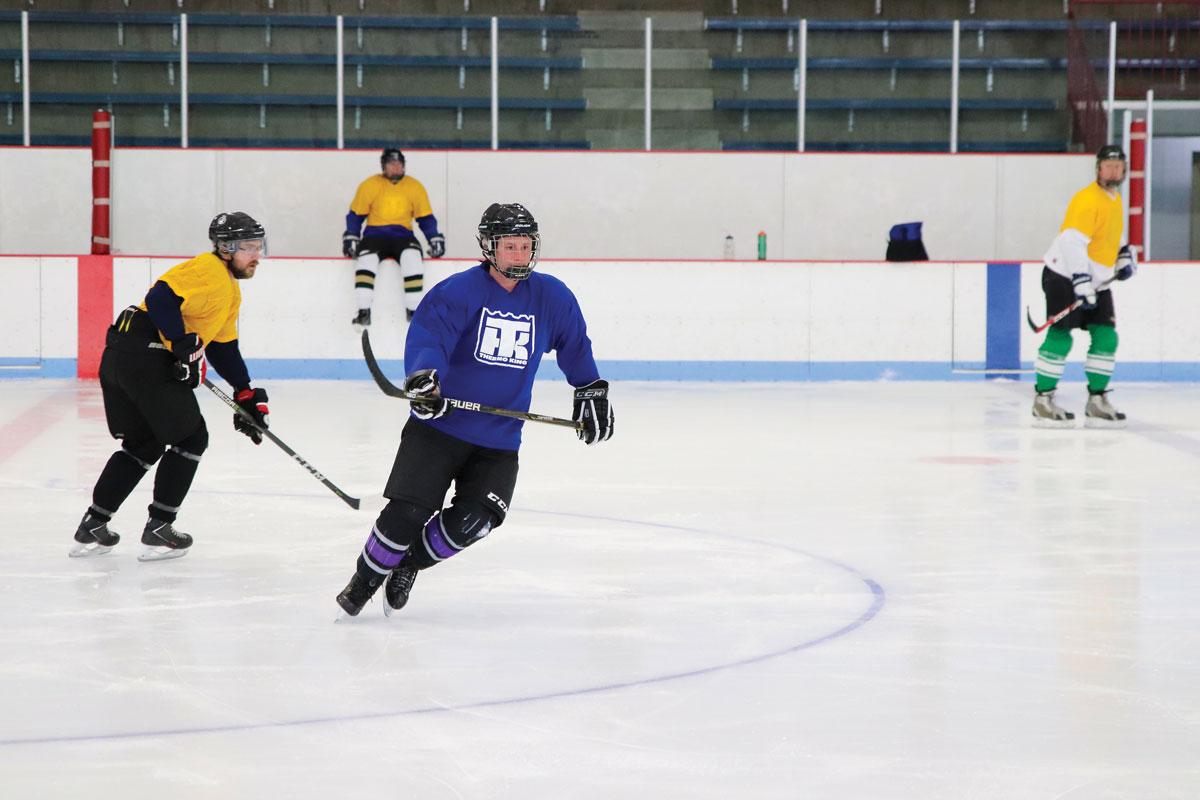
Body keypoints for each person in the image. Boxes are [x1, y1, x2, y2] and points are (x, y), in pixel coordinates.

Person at [336, 202, 614, 618]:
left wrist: (590, 388)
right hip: (441, 429)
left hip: (499, 438)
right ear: (489, 247)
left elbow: (575, 345)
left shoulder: (552, 297)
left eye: (525, 246)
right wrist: (425, 379)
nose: (519, 255)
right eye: (510, 247)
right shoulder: (457, 293)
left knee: (478, 519)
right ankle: (364, 581)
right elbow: (431, 339)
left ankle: (409, 565)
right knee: (406, 514)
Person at [70, 212, 273, 561]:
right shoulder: (209, 269)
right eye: (250, 247)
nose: (257, 255)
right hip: (144, 356)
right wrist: (180, 341)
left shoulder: (229, 289)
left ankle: (93, 524)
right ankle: (160, 528)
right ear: (226, 248)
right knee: (191, 438)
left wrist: (245, 393)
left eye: (259, 246)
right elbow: (162, 296)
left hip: (123, 355)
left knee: (144, 444)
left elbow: (223, 348)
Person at [1032, 144, 1138, 428]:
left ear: (1124, 170)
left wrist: (1123, 254)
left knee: (1106, 337)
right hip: (1064, 276)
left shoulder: (1114, 199)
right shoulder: (1087, 199)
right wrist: (1080, 281)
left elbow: (1112, 232)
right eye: (1108, 166)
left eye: (1118, 167)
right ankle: (1043, 400)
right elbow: (1071, 241)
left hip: (1098, 281)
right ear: (1098, 169)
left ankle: (1097, 400)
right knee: (1061, 337)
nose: (1113, 171)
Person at [343, 147, 445, 329]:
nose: (396, 167)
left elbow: (425, 218)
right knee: (366, 260)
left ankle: (413, 312)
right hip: (374, 234)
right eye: (392, 164)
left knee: (413, 259)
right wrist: (351, 235)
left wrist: (434, 237)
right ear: (384, 166)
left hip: (403, 235)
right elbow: (355, 215)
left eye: (399, 164)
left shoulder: (414, 186)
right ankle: (363, 312)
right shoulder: (370, 185)